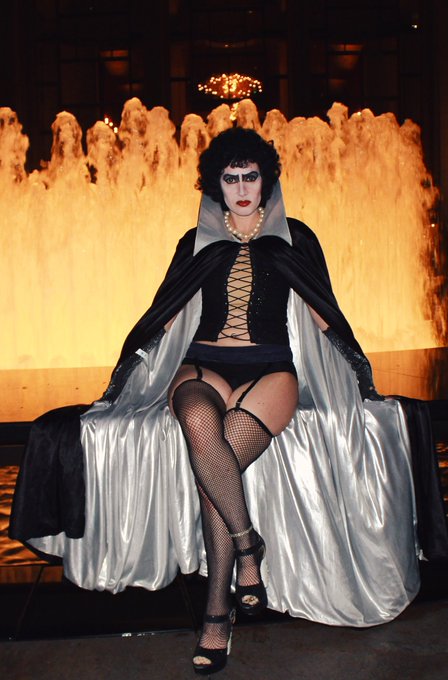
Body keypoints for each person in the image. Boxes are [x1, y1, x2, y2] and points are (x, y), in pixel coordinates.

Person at [11, 128, 423, 674]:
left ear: (266, 180)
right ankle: (247, 548)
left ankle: (216, 614)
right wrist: (127, 376)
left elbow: (324, 311)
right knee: (201, 429)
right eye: (231, 178)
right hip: (203, 365)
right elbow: (166, 313)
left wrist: (359, 377)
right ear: (216, 184)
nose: (242, 188)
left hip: (270, 370)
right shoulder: (195, 242)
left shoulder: (295, 237)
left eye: (251, 176)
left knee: (215, 472)